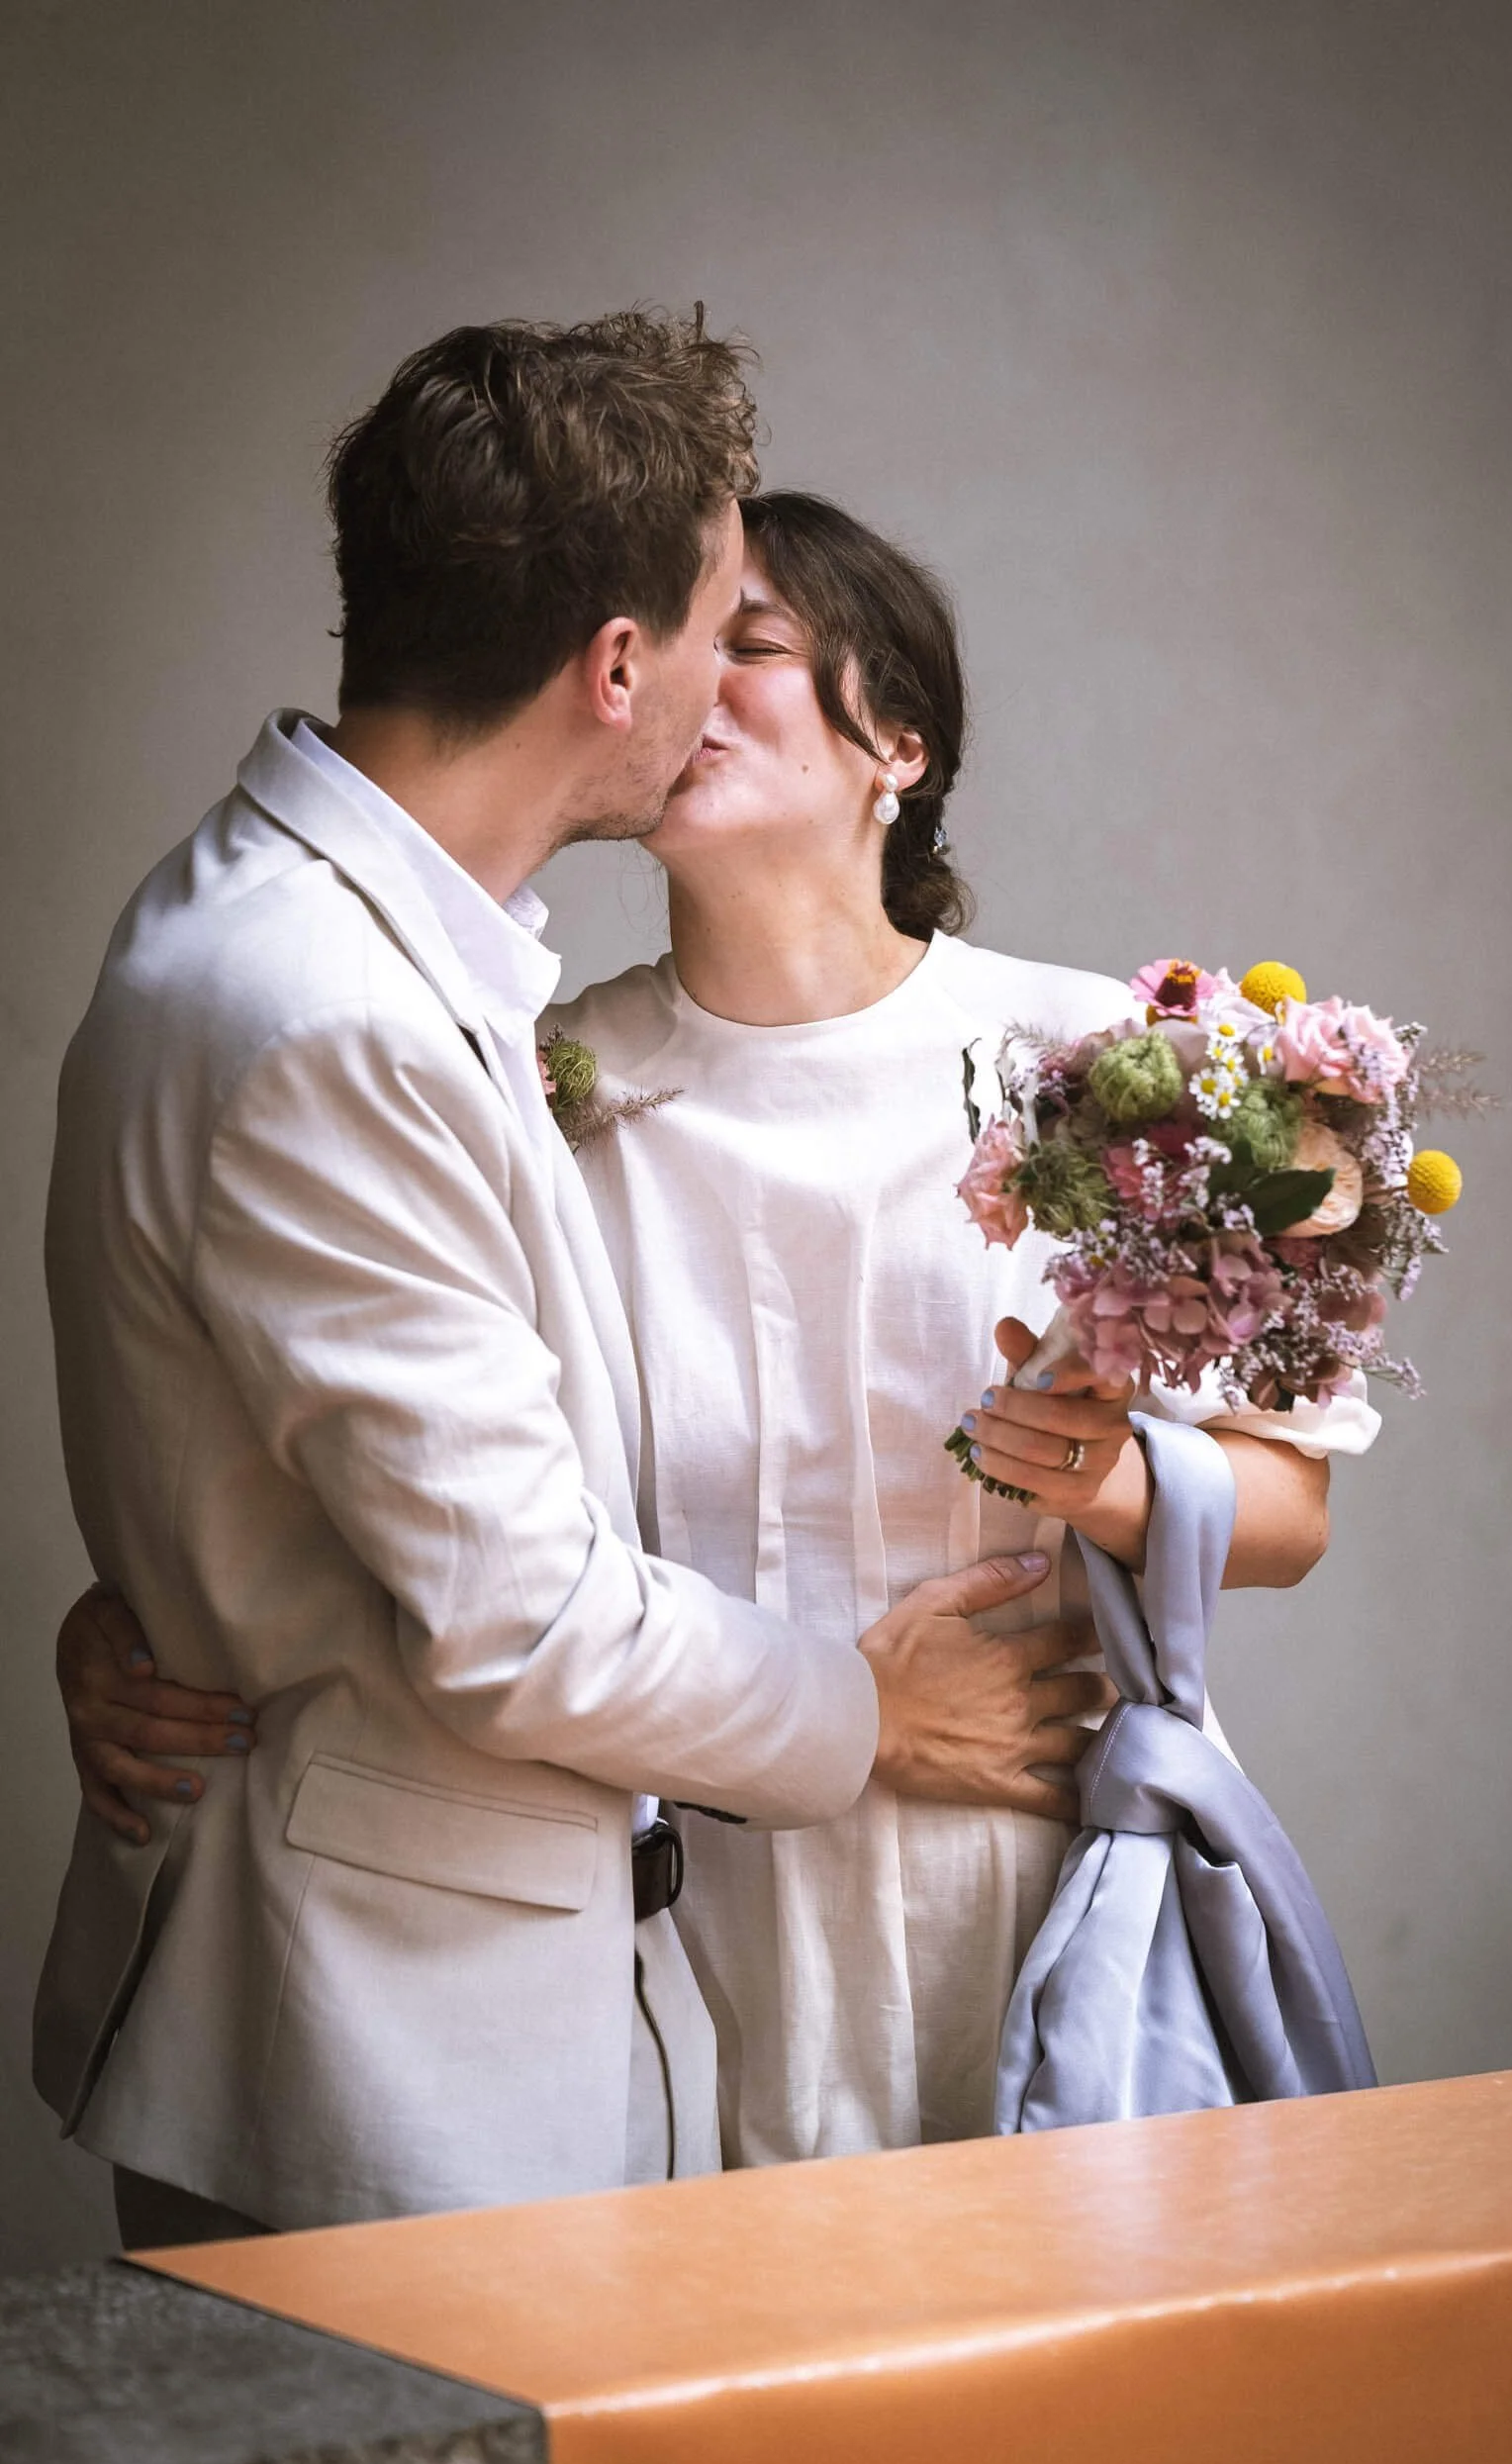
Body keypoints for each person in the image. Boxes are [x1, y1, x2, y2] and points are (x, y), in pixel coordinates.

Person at [60, 488, 1375, 2170]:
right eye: (687, 647)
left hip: (1027, 1855)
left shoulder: (1106, 1063)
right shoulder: (537, 1085)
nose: (695, 690)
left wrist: (1116, 1486)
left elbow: (1290, 1515)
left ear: (896, 741)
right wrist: (141, 1616)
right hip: (670, 1877)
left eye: (751, 647)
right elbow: (390, 1480)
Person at [35, 329, 1103, 2250]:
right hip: (374, 2063)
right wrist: (880, 1718)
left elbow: (306, 1454)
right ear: (617, 668)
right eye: (716, 621)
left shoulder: (326, 940)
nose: (711, 682)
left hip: (563, 2002)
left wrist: (170, 1586)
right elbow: (520, 1612)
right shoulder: (331, 1014)